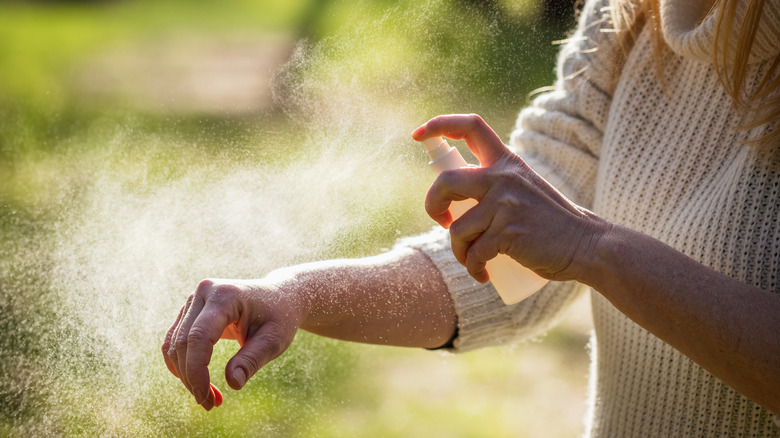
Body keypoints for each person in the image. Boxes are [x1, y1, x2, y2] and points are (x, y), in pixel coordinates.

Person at [162, 0, 780, 435]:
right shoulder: (629, 15)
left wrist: (594, 249)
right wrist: (293, 295)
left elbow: (569, 241)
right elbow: (511, 272)